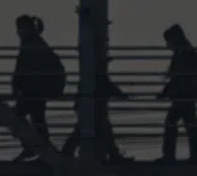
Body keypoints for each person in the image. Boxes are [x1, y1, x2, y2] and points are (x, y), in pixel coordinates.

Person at [10, 15, 63, 162]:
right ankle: (39, 148)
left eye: (20, 28)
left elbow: (22, 68)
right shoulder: (36, 43)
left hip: (34, 90)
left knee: (17, 116)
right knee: (37, 119)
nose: (18, 32)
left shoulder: (31, 44)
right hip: (38, 89)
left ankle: (33, 146)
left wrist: (16, 87)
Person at [156, 23, 197, 164]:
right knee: (189, 124)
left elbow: (177, 78)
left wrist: (165, 92)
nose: (168, 45)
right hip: (186, 95)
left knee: (174, 123)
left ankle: (171, 156)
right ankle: (195, 156)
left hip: (183, 95)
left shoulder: (184, 55)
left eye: (169, 41)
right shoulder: (187, 53)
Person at [61, 68, 133, 164]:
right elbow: (112, 89)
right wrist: (122, 95)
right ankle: (114, 155)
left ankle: (66, 154)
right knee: (105, 134)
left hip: (90, 113)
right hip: (97, 113)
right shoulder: (100, 78)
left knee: (83, 133)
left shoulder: (88, 79)